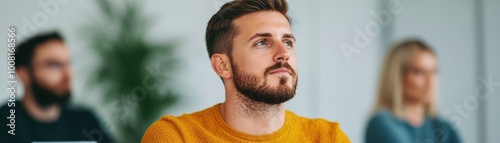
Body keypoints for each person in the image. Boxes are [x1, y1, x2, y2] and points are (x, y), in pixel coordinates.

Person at [141, 0, 350, 142]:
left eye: (287, 42)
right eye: (262, 42)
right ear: (222, 66)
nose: (283, 54)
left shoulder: (327, 137)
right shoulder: (176, 137)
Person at [0, 32, 112, 143]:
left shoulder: (85, 120)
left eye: (68, 63)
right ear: (23, 74)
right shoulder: (5, 123)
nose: (68, 75)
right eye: (54, 65)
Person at [364, 39, 461, 143]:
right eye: (419, 72)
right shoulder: (381, 122)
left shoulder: (443, 127)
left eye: (434, 72)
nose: (431, 81)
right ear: (398, 77)